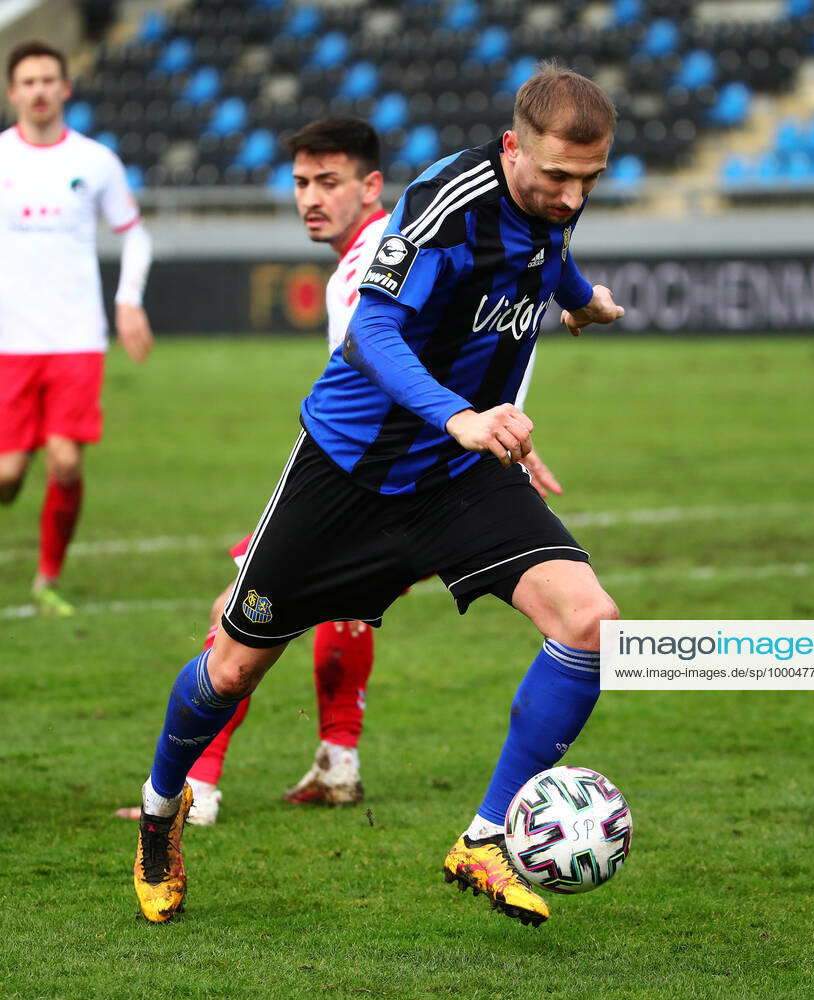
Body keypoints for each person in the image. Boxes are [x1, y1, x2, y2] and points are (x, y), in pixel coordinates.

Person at [132, 65, 623, 928]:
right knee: (235, 663)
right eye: (556, 176)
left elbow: (549, 256)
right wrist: (459, 416)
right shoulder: (449, 202)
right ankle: (161, 810)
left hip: (456, 480)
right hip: (348, 472)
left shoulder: (551, 207)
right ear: (512, 149)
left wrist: (585, 302)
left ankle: (484, 842)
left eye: (591, 178)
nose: (572, 194)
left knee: (590, 625)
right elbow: (371, 330)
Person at [114, 118, 560, 825]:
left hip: (398, 478)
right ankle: (337, 761)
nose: (310, 199)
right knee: (339, 604)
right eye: (300, 183)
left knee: (233, 617)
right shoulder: (414, 242)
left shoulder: (378, 260)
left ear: (371, 186)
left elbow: (401, 361)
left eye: (329, 182)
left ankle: (196, 791)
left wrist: (488, 432)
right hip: (431, 468)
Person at [0, 40, 153, 616]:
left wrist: (128, 300)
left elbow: (133, 233)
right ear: (13, 92)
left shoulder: (93, 161)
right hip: (9, 341)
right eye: (28, 81)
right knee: (8, 476)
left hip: (75, 337)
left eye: (48, 79)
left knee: (65, 460)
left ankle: (46, 580)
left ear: (65, 88)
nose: (39, 90)